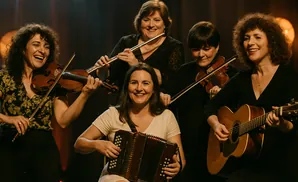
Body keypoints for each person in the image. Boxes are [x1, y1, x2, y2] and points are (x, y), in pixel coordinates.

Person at [0, 23, 101, 182]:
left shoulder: (53, 82)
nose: (42, 50)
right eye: (36, 44)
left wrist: (85, 94)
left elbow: (63, 120)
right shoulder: (5, 78)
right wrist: (9, 119)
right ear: (22, 49)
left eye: (47, 46)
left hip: (43, 149)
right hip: (9, 146)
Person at [204, 13, 298, 182]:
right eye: (246, 38)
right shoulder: (242, 79)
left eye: (257, 37)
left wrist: (282, 124)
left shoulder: (289, 77)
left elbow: (294, 128)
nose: (250, 43)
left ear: (271, 41)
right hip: (246, 165)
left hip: (280, 165)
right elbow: (211, 106)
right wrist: (216, 125)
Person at [74, 62, 186, 182]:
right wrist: (97, 145)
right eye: (134, 83)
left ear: (154, 89)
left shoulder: (166, 117)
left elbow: (181, 160)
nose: (139, 88)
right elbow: (79, 144)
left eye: (145, 83)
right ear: (127, 87)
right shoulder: (113, 114)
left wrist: (176, 167)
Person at [166, 21, 237, 181]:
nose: (201, 54)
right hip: (189, 150)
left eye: (207, 48)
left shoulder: (232, 75)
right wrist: (164, 96)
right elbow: (168, 103)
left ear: (217, 46)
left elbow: (238, 112)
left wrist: (222, 99)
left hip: (219, 150)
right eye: (196, 49)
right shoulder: (183, 73)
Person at [95, 0, 185, 103]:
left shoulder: (174, 46)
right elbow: (110, 79)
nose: (151, 25)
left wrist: (136, 64)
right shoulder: (126, 42)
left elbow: (172, 82)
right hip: (126, 104)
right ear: (139, 22)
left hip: (156, 105)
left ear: (165, 24)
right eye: (146, 20)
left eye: (157, 20)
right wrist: (103, 70)